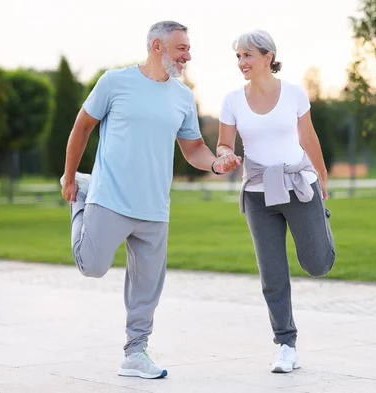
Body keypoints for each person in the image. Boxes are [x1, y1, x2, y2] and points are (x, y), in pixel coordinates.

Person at [60, 21, 240, 379]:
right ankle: (82, 195)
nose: (187, 55)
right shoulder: (115, 82)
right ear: (157, 46)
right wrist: (69, 176)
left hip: (154, 206)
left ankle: (135, 353)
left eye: (188, 49)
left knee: (147, 288)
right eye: (181, 48)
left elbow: (193, 150)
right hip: (109, 197)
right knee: (92, 266)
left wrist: (217, 164)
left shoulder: (182, 97)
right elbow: (82, 126)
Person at [216, 29, 336, 373]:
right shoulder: (231, 100)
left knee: (317, 265)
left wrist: (322, 176)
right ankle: (286, 344)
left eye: (248, 55)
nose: (242, 62)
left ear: (269, 56)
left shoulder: (295, 94)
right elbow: (225, 143)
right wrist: (224, 156)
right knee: (272, 274)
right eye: (238, 56)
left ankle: (321, 222)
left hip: (300, 186)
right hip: (257, 194)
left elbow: (308, 136)